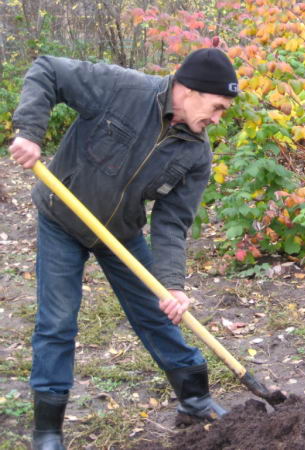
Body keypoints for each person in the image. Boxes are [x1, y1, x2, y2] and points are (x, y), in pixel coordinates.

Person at [9, 48, 239, 450]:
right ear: (188, 90)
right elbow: (48, 69)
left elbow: (171, 223)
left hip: (120, 232)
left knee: (157, 312)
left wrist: (172, 285)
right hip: (62, 216)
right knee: (58, 320)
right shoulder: (121, 88)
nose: (218, 118)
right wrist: (29, 131)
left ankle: (195, 399)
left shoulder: (196, 153)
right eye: (217, 107)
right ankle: (47, 430)